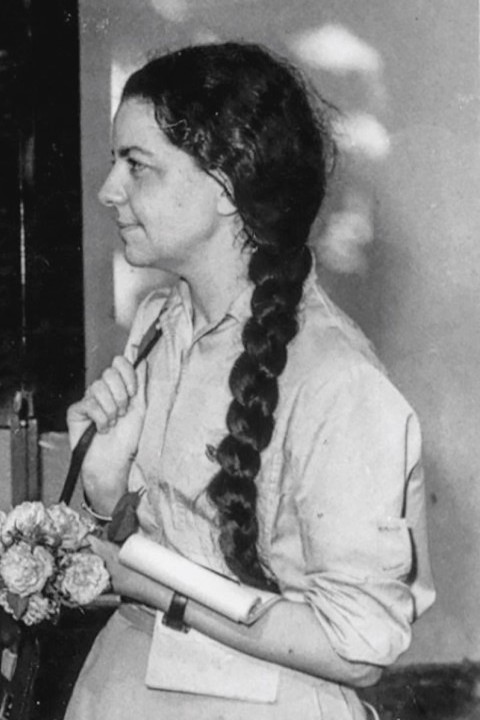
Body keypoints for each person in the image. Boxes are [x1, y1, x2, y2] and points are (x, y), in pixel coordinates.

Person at [64, 42, 434, 719]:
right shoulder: (158, 323)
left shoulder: (338, 383)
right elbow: (149, 538)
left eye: (137, 166)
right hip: (120, 690)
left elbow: (357, 642)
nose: (108, 190)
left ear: (227, 186)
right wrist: (102, 490)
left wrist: (160, 591)